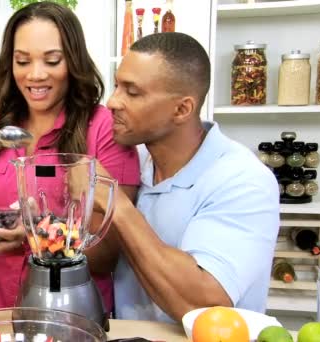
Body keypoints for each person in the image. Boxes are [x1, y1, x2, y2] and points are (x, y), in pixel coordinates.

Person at [0, 1, 141, 313]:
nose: (35, 75)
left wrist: (34, 236)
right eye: (22, 61)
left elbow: (108, 254)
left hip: (74, 315)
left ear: (73, 62)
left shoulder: (104, 129)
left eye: (52, 61)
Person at [88, 32, 280, 322]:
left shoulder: (243, 180)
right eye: (117, 86)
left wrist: (117, 205)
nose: (113, 102)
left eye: (133, 92)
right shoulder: (133, 164)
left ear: (182, 109)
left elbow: (203, 306)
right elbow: (99, 255)